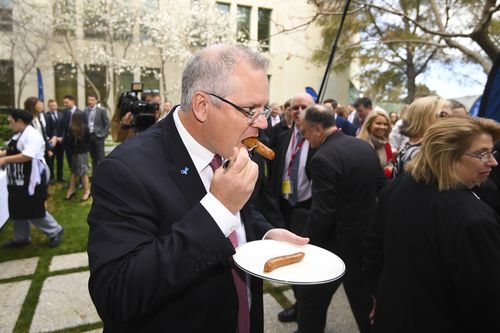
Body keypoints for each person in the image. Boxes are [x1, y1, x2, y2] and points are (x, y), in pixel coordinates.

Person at [87, 44, 308, 333]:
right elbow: (116, 295)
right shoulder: (124, 170)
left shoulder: (233, 146)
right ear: (202, 105)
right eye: (250, 110)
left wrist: (265, 233)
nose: (263, 123)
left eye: (263, 108)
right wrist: (218, 210)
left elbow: (243, 213)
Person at [364, 117, 500, 332]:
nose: (493, 161)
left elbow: (373, 254)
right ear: (447, 156)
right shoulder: (474, 218)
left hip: (391, 316)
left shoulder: (397, 187)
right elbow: (483, 301)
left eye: (492, 152)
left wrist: (377, 298)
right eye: (482, 153)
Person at [295, 104, 385, 333]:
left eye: (304, 133)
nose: (305, 139)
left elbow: (323, 212)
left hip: (336, 244)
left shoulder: (322, 158)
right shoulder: (363, 147)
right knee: (364, 303)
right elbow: (380, 188)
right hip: (365, 240)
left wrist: (305, 242)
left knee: (311, 300)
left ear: (317, 129)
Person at [0, 109, 64, 248]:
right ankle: (21, 237)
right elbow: (13, 150)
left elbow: (27, 155)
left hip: (33, 178)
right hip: (18, 179)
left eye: (11, 121)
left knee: (33, 208)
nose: (9, 124)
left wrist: (4, 161)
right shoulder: (19, 134)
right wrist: (2, 154)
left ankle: (55, 230)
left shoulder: (32, 135)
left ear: (20, 121)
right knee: (17, 207)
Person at [392, 96, 448, 178]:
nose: (450, 120)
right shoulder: (420, 154)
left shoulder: (414, 149)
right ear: (423, 118)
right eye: (442, 115)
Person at [358, 110, 394, 178]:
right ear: (369, 125)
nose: (382, 127)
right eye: (378, 123)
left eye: (385, 124)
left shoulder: (386, 144)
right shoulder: (360, 145)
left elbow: (390, 165)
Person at [65, 110, 91, 201]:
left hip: (76, 152)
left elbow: (69, 142)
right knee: (76, 172)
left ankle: (87, 191)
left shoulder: (72, 128)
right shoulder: (85, 128)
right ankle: (72, 190)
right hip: (82, 152)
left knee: (81, 172)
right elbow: (88, 141)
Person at [84, 94, 110, 174]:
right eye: (89, 100)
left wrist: (103, 134)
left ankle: (104, 174)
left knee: (101, 157)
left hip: (98, 136)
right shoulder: (85, 110)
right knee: (93, 157)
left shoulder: (101, 110)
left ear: (96, 101)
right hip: (89, 136)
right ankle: (94, 174)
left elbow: (107, 124)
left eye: (92, 100)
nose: (90, 102)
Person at [45, 99, 65, 182]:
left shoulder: (61, 115)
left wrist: (61, 137)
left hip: (60, 141)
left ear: (57, 105)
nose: (53, 107)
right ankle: (51, 177)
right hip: (50, 142)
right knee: (51, 160)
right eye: (51, 106)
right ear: (48, 106)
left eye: (54, 105)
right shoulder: (45, 116)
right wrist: (52, 138)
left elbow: (64, 127)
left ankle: (60, 176)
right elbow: (46, 129)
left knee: (60, 159)